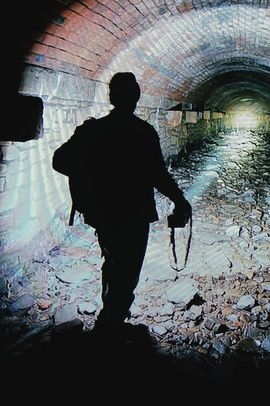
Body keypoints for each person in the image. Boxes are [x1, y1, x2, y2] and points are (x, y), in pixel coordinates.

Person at [52, 72, 192, 336]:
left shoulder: (93, 130)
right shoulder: (143, 133)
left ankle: (111, 316)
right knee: (128, 267)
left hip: (103, 212)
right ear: (137, 97)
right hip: (135, 213)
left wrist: (88, 170)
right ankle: (111, 323)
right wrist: (180, 200)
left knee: (112, 260)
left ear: (111, 97)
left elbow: (60, 161)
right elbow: (158, 175)